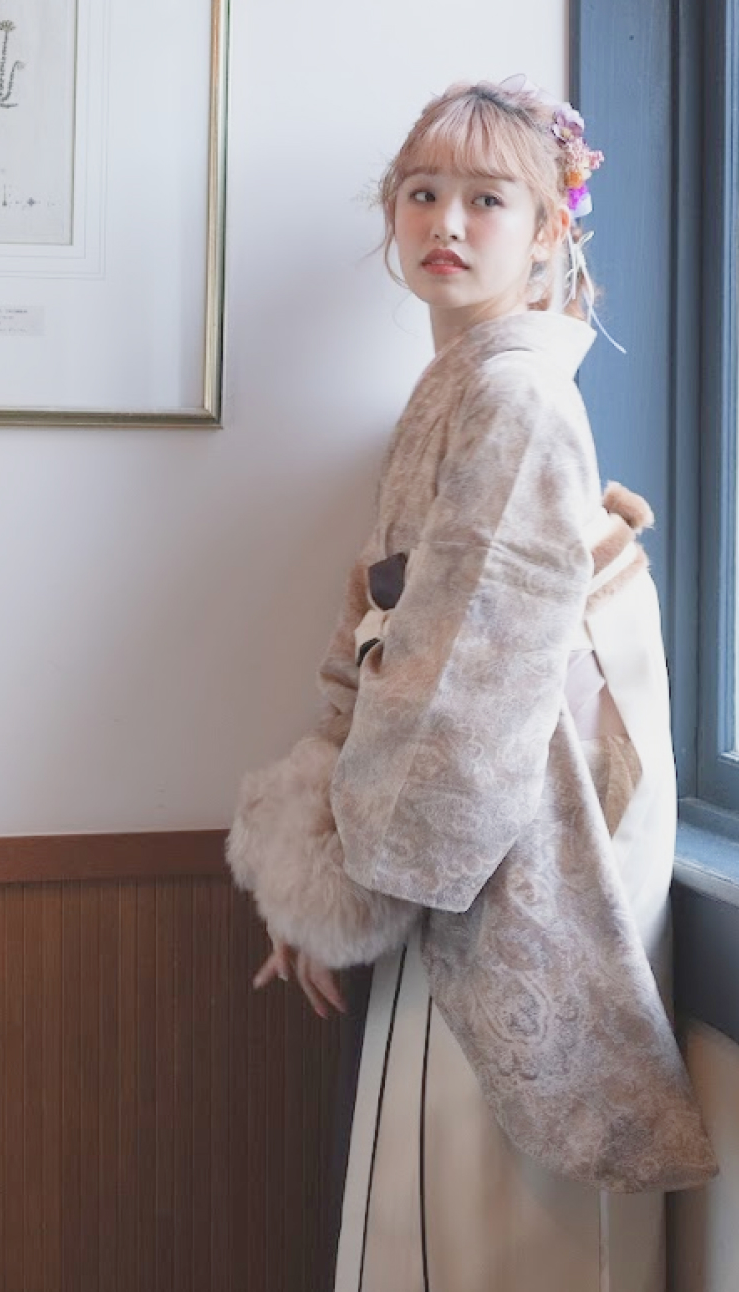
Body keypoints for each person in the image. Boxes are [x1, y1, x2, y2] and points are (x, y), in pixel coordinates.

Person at [226, 77, 717, 1292]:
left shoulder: (513, 394)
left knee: (486, 1187)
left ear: (548, 230)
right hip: (460, 824)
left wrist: (339, 880)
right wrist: (327, 847)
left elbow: (468, 672)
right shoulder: (462, 383)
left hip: (516, 825)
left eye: (486, 198)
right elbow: (394, 625)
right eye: (420, 192)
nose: (445, 220)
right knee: (452, 1181)